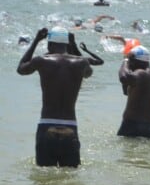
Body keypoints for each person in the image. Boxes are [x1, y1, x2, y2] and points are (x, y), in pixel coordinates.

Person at [17, 26, 93, 167]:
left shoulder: (41, 60)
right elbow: (89, 73)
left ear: (49, 43)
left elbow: (21, 69)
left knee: (45, 179)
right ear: (67, 43)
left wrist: (36, 41)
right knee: (70, 177)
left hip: (47, 125)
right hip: (70, 126)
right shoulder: (82, 63)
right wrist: (74, 48)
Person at [117, 45, 150, 138]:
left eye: (130, 61)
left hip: (133, 125)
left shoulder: (141, 73)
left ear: (134, 60)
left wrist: (125, 61)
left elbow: (124, 77)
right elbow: (126, 92)